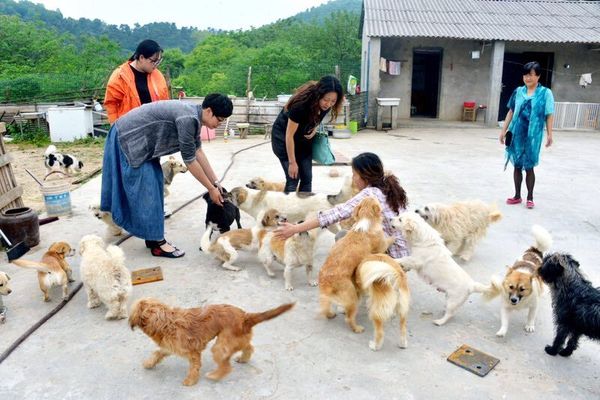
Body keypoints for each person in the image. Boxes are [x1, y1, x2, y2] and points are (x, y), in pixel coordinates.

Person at [100, 95, 233, 258]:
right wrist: (211, 189)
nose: (219, 124)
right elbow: (190, 160)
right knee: (149, 190)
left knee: (156, 185)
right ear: (209, 111)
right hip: (129, 137)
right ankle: (157, 244)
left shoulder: (195, 117)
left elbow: (198, 151)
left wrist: (216, 182)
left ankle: (152, 238)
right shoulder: (188, 118)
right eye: (219, 120)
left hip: (142, 141)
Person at [274, 152, 409, 258]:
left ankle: (362, 277)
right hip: (403, 251)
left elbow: (334, 215)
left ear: (365, 176)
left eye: (354, 174)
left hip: (390, 255)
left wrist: (295, 229)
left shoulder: (370, 193)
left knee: (342, 236)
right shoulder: (389, 185)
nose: (353, 178)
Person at [271, 76, 344, 192]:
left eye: (333, 101)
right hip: (283, 139)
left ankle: (303, 209)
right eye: (326, 99)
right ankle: (289, 209)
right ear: (318, 94)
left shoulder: (326, 105)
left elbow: (317, 117)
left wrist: (314, 127)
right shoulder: (300, 105)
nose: (328, 104)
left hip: (303, 140)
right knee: (293, 178)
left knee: (307, 178)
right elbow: (289, 135)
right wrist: (292, 162)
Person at [500, 61, 554, 209]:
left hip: (533, 136)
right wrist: (503, 130)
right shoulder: (518, 92)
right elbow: (511, 111)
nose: (528, 78)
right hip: (516, 133)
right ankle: (517, 195)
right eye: (525, 75)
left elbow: (549, 114)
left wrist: (550, 134)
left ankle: (530, 198)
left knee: (529, 166)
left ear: (538, 76)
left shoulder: (545, 93)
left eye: (531, 75)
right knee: (517, 165)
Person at [104, 39, 170, 124]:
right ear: (141, 57)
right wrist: (115, 130)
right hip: (129, 129)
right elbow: (111, 105)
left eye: (158, 61)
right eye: (153, 61)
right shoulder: (120, 76)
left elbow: (165, 103)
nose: (155, 65)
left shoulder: (158, 76)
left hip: (155, 129)